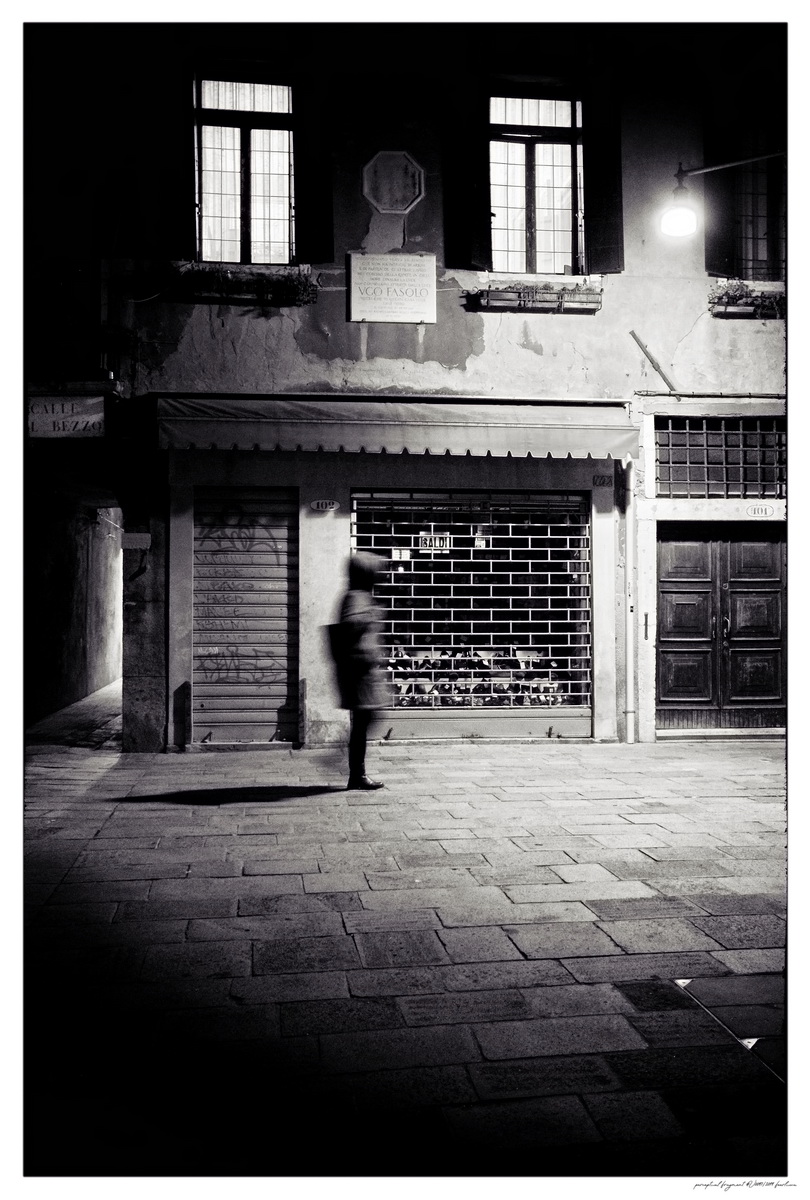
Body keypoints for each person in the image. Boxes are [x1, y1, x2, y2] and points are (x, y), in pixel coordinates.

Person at [334, 552, 389, 790]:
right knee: (366, 718)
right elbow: (350, 624)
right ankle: (355, 772)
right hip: (359, 672)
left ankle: (356, 773)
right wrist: (371, 615)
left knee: (366, 719)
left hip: (361, 670)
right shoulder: (356, 597)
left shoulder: (358, 595)